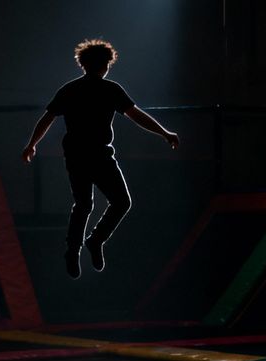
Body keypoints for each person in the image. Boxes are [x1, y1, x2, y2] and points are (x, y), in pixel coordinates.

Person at [22, 39, 179, 279]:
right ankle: (94, 241)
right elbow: (137, 116)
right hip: (97, 154)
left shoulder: (71, 89)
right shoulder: (109, 89)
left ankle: (75, 249)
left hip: (78, 154)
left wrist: (32, 144)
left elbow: (47, 119)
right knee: (120, 202)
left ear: (83, 64)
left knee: (84, 205)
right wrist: (165, 133)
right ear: (106, 65)